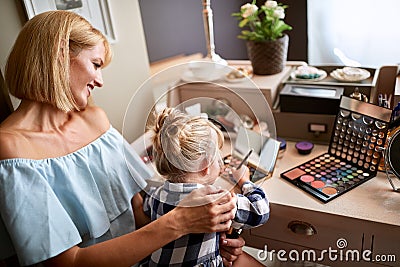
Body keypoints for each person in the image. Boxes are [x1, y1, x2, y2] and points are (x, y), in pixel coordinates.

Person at [0, 10, 246, 267]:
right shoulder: (12, 149)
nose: (100, 81)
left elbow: (140, 210)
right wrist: (180, 223)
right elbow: (69, 263)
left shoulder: (95, 120)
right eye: (95, 65)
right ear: (59, 55)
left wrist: (203, 241)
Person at [134, 107, 270, 266]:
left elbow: (145, 207)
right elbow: (260, 211)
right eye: (217, 154)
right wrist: (245, 181)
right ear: (205, 165)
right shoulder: (214, 200)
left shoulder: (157, 194)